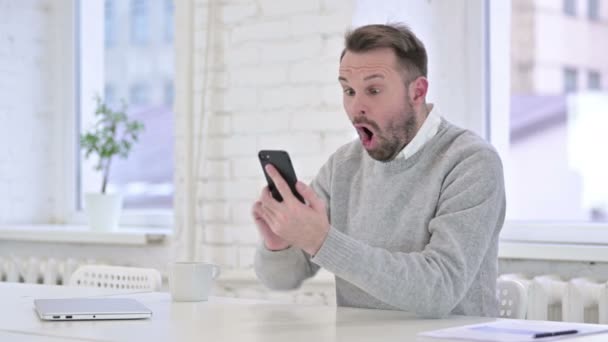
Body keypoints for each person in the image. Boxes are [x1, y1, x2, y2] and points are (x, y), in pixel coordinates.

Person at [251, 23, 506, 318]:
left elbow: (440, 289)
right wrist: (279, 244)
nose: (356, 107)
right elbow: (283, 279)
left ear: (417, 92)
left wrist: (321, 240)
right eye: (348, 90)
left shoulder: (471, 162)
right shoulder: (343, 166)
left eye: (373, 90)